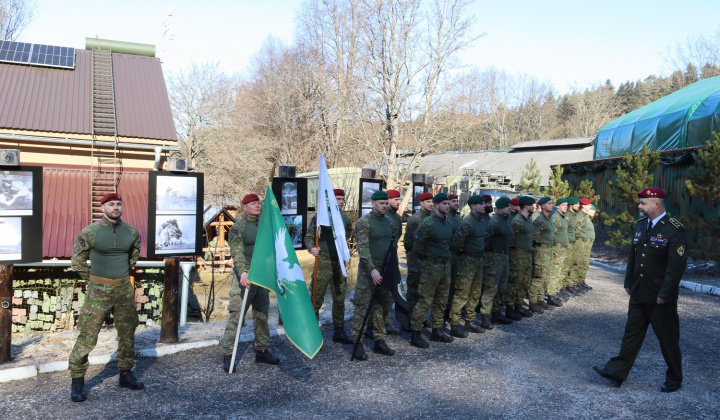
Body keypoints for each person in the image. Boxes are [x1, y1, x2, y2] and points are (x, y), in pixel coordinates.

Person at [594, 187, 688, 393]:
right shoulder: (640, 225)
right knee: (631, 333)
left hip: (659, 296)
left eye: (643, 203)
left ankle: (674, 377)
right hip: (638, 291)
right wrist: (628, 281)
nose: (639, 206)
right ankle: (617, 372)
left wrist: (665, 294)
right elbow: (634, 257)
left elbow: (675, 268)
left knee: (667, 338)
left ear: (656, 204)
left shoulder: (675, 229)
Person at [68, 193, 143, 402]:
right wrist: (93, 280)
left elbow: (134, 254)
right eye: (111, 204)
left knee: (128, 333)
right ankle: (77, 380)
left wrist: (122, 271)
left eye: (119, 204)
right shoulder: (90, 232)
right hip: (98, 290)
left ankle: (126, 374)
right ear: (103, 208)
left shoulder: (130, 231)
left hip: (123, 289)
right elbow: (77, 261)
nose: (116, 207)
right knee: (88, 335)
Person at [222, 193, 279, 373]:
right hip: (245, 277)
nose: (258, 205)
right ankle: (228, 354)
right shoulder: (238, 228)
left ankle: (262, 350)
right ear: (244, 207)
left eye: (259, 203)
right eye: (253, 203)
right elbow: (236, 251)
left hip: (262, 277)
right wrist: (242, 272)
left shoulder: (265, 226)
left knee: (261, 314)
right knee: (236, 317)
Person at [350, 190, 397, 360]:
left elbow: (392, 244)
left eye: (386, 203)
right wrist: (372, 268)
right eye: (381, 203)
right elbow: (362, 248)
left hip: (384, 268)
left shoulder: (389, 222)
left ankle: (379, 340)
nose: (385, 206)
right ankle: (358, 342)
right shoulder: (364, 222)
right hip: (368, 271)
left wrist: (391, 267)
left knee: (382, 307)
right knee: (363, 307)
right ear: (373, 203)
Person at [305, 188, 354, 344]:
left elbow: (347, 234)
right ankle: (313, 335)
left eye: (342, 199)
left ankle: (339, 331)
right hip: (323, 262)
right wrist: (312, 248)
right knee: (316, 299)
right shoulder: (320, 218)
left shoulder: (345, 218)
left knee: (339, 299)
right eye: (338, 199)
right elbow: (309, 236)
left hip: (339, 263)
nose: (341, 201)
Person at [408, 193, 454, 348]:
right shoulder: (427, 223)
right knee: (424, 300)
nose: (447, 206)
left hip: (445, 266)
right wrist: (425, 259)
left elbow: (449, 243)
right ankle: (416, 333)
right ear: (436, 205)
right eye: (444, 204)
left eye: (448, 204)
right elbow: (417, 246)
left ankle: (437, 330)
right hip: (431, 266)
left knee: (441, 299)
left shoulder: (447, 224)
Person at [448, 194, 486, 337]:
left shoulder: (482, 221)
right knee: (461, 293)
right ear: (473, 206)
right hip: (467, 261)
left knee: (475, 293)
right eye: (480, 204)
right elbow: (457, 244)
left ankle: (469, 321)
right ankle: (455, 324)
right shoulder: (467, 222)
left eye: (484, 203)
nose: (484, 205)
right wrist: (465, 254)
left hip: (479, 260)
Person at [481, 196, 514, 328]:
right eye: (507, 206)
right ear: (500, 209)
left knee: (502, 287)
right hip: (493, 257)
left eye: (510, 206)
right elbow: (485, 239)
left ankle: (496, 314)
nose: (510, 208)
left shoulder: (508, 221)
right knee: (491, 287)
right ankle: (485, 316)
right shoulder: (494, 221)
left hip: (504, 256)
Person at [403, 192, 434, 327]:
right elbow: (408, 241)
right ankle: (411, 319)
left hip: (427, 258)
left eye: (432, 201)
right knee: (414, 289)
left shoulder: (432, 217)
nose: (431, 204)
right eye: (428, 202)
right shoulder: (416, 219)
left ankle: (420, 318)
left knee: (424, 291)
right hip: (416, 258)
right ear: (421, 203)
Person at [506, 196, 536, 320]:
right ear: (527, 206)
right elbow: (510, 240)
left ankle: (518, 306)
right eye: (532, 205)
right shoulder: (517, 221)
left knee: (524, 282)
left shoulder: (528, 219)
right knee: (514, 282)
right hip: (517, 255)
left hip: (528, 254)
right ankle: (509, 309)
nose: (534, 207)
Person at [529, 197, 555, 314]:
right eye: (549, 203)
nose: (552, 205)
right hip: (541, 251)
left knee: (544, 277)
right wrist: (538, 249)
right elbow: (534, 237)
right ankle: (533, 302)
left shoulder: (548, 219)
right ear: (542, 206)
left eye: (552, 203)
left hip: (548, 250)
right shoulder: (540, 220)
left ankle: (540, 300)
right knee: (538, 277)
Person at [547, 198, 569, 307]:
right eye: (563, 205)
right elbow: (552, 234)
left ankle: (555, 292)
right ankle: (551, 295)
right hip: (557, 247)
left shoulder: (562, 217)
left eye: (566, 205)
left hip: (562, 247)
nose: (566, 207)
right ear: (558, 206)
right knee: (554, 271)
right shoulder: (555, 218)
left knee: (559, 271)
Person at [573, 199, 596, 291]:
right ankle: (574, 284)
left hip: (586, 243)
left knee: (583, 264)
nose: (590, 207)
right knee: (577, 263)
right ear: (584, 206)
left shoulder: (585, 217)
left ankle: (580, 282)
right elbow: (575, 232)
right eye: (589, 205)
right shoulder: (580, 217)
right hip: (580, 243)